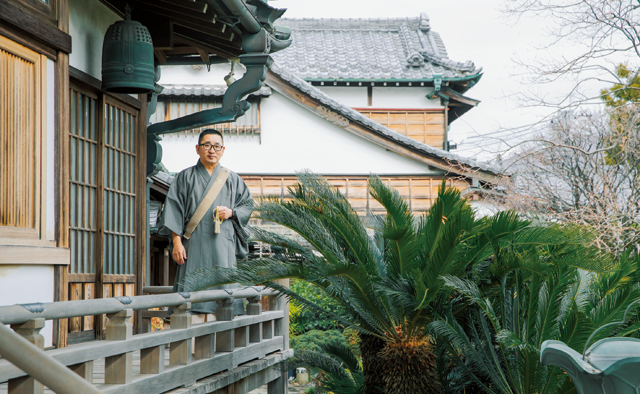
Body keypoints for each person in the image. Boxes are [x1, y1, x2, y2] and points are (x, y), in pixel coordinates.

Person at [157, 129, 253, 316]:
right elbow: (173, 210)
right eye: (207, 145)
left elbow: (248, 205)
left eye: (217, 146)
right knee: (190, 298)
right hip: (193, 244)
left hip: (223, 245)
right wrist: (176, 243)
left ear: (223, 150)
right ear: (197, 148)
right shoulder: (184, 177)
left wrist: (232, 212)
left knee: (225, 295)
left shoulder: (233, 179)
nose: (212, 150)